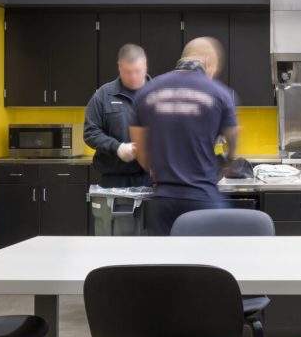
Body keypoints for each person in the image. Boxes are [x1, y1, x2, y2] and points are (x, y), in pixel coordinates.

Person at [129, 36, 239, 236]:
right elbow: (230, 146)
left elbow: (141, 152)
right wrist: (219, 165)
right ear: (208, 62)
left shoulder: (146, 92)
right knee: (212, 254)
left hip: (163, 200)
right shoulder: (220, 94)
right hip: (204, 198)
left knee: (166, 255)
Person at [83, 43, 149, 189]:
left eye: (137, 71)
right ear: (119, 67)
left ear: (145, 65)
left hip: (152, 178)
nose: (133, 77)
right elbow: (90, 132)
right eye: (127, 72)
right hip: (114, 180)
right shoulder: (103, 95)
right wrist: (117, 148)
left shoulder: (159, 93)